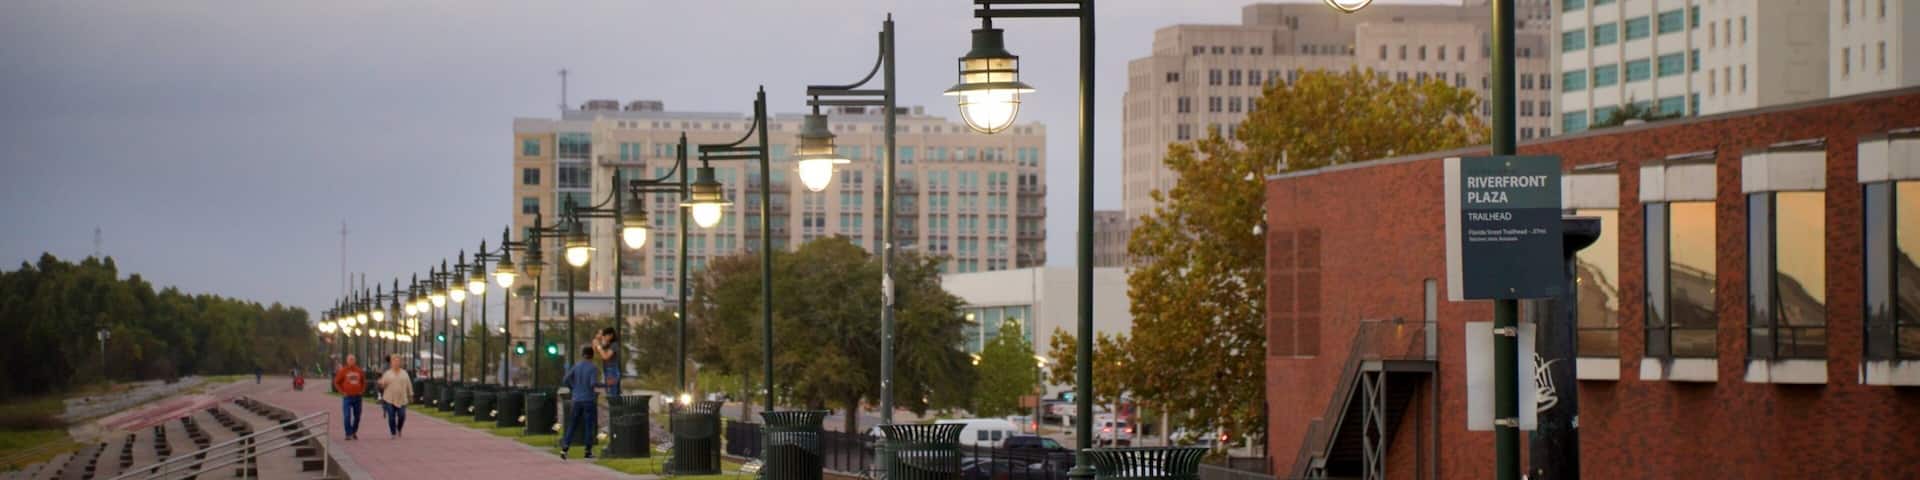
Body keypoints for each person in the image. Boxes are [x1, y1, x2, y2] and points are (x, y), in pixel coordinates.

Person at [557, 345, 599, 459]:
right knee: (589, 426)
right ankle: (588, 451)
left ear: (582, 355)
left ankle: (565, 448)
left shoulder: (576, 366)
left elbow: (565, 379)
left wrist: (573, 387)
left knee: (572, 424)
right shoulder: (593, 368)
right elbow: (592, 384)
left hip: (576, 400)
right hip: (589, 400)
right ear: (592, 355)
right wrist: (604, 385)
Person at [376, 354, 413, 439]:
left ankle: (399, 429)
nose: (396, 363)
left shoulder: (404, 373)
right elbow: (382, 384)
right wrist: (381, 384)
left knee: (402, 415)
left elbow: (409, 384)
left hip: (402, 399)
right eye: (394, 361)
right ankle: (393, 432)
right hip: (389, 398)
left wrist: (411, 394)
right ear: (391, 363)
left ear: (400, 363)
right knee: (391, 416)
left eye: (398, 361)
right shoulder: (387, 373)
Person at [332, 354, 366, 440]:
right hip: (347, 397)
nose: (351, 361)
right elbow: (336, 382)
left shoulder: (359, 371)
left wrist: (361, 391)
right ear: (347, 361)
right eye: (350, 359)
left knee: (357, 416)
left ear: (355, 361)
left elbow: (363, 382)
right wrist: (342, 392)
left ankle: (353, 432)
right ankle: (348, 433)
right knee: (347, 416)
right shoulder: (343, 370)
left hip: (357, 397)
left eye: (353, 359)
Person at [591, 327, 620, 396]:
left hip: (612, 372)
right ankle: (612, 405)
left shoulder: (614, 345)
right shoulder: (606, 345)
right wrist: (596, 341)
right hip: (607, 370)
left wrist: (598, 346)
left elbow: (606, 356)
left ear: (611, 335)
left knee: (611, 393)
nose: (603, 337)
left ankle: (614, 406)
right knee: (608, 392)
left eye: (604, 335)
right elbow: (595, 352)